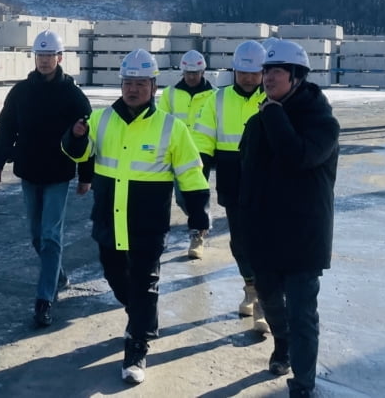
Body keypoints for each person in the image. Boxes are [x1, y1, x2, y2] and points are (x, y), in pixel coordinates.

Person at [63, 48, 207, 385]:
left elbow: (191, 174)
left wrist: (198, 215)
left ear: (153, 86)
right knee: (116, 278)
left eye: (140, 83)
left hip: (148, 223)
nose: (133, 89)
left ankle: (138, 344)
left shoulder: (172, 127)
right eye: (128, 82)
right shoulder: (100, 119)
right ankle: (140, 315)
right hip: (108, 219)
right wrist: (74, 136)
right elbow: (77, 153)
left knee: (144, 283)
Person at [239, 38, 339, 398]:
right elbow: (246, 174)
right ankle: (281, 344)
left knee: (301, 312)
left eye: (277, 71)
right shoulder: (261, 118)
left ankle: (303, 382)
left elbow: (298, 157)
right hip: (264, 232)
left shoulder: (322, 122)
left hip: (302, 234)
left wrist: (273, 115)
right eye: (266, 70)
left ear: (296, 76)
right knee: (269, 299)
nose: (267, 78)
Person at [0, 30, 93, 328]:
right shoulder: (21, 92)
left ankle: (44, 299)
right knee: (37, 235)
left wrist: (86, 176)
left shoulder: (72, 94)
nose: (45, 61)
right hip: (29, 172)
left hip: (59, 174)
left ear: (60, 58)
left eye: (50, 56)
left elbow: (89, 137)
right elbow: (6, 127)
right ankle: (57, 273)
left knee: (50, 235)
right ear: (34, 58)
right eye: (40, 55)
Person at [192, 39, 268, 331]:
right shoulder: (218, 99)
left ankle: (264, 300)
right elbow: (203, 138)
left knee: (264, 241)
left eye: (254, 73)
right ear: (234, 71)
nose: (248, 78)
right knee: (240, 242)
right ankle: (250, 286)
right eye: (243, 72)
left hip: (266, 181)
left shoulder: (273, 98)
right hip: (232, 179)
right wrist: (198, 169)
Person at [156, 49, 216, 259]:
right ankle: (202, 219)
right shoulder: (170, 94)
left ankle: (197, 234)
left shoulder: (213, 95)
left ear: (203, 72)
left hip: (201, 151)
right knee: (181, 198)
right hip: (175, 150)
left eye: (195, 73)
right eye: (188, 73)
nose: (191, 77)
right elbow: (160, 121)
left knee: (195, 195)